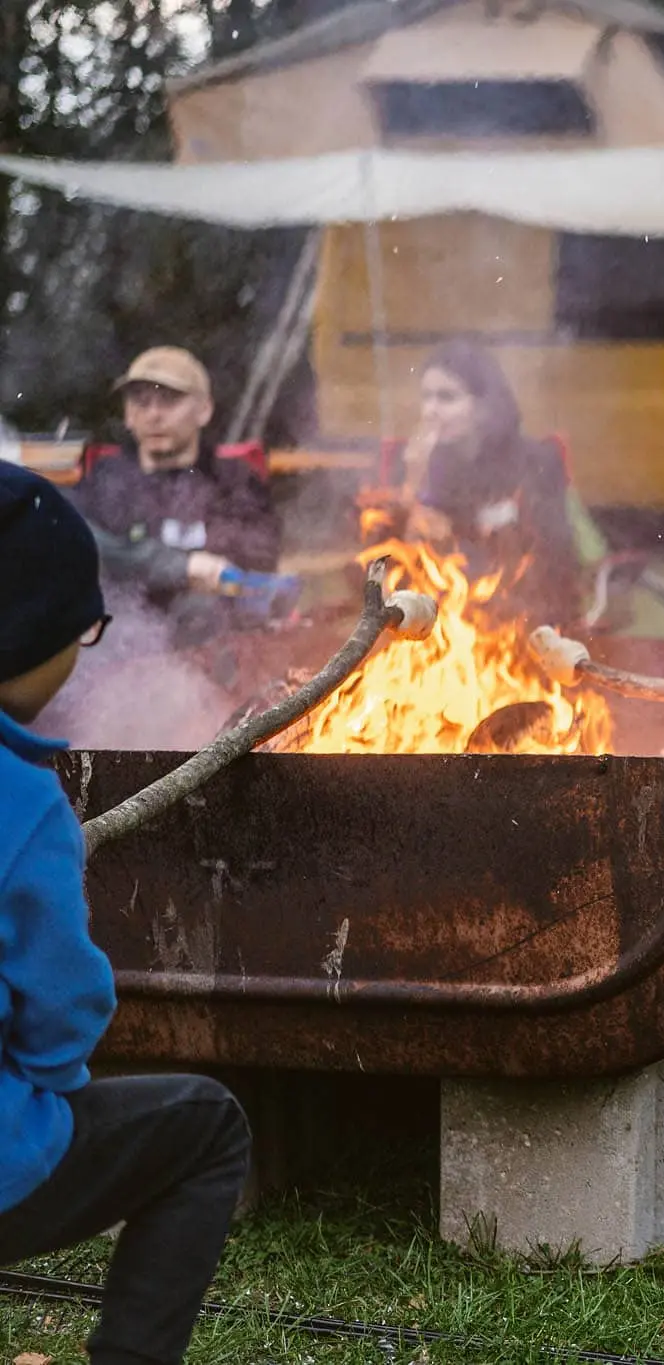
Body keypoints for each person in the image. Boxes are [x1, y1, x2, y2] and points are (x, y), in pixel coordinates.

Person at [0, 462, 252, 1365]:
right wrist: (54, 1086)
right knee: (206, 1126)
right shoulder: (24, 805)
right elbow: (61, 1006)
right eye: (83, 629)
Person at [68, 346, 292, 646]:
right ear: (127, 415)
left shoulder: (233, 481)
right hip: (116, 637)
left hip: (213, 643)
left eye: (169, 400)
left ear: (204, 410)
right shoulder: (106, 479)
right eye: (141, 402)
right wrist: (178, 567)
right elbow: (76, 548)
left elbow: (257, 559)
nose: (154, 415)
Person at [383, 340, 587, 625]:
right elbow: (394, 562)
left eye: (446, 398)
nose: (430, 411)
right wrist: (414, 479)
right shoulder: (421, 463)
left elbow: (555, 553)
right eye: (426, 397)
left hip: (526, 616)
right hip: (444, 618)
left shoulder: (533, 460)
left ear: (483, 406)